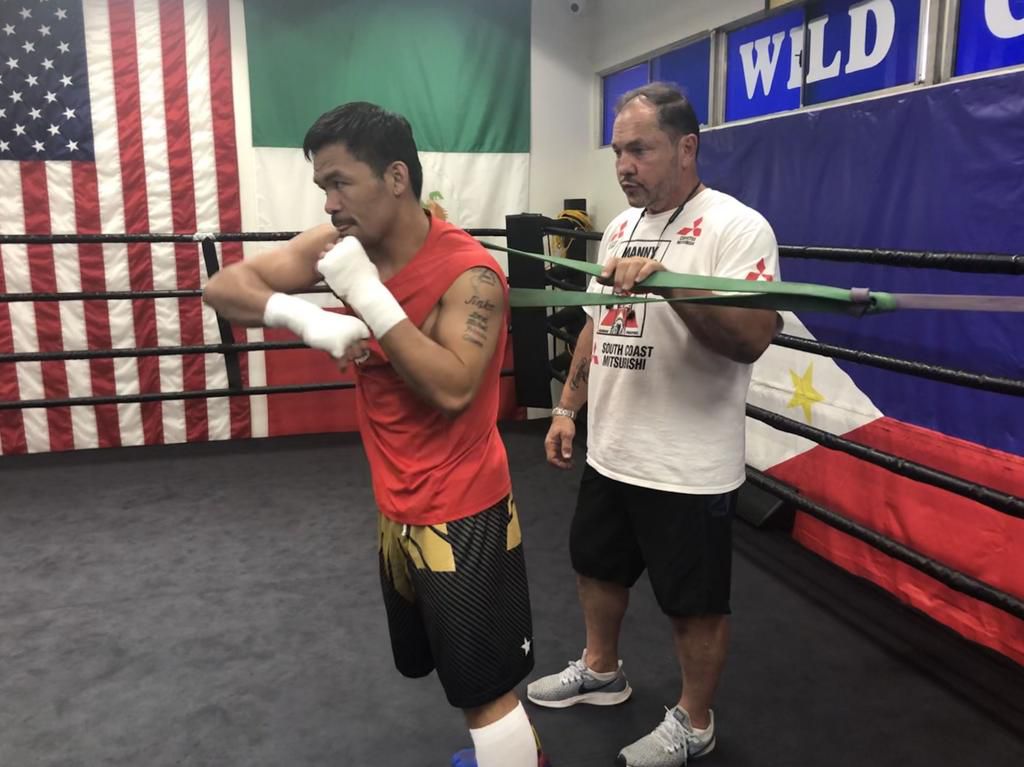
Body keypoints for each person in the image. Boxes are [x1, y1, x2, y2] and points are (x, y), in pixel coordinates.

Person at [203, 102, 545, 767]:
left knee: (484, 689)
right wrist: (310, 322)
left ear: (394, 177)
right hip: (398, 506)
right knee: (442, 668)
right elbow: (225, 286)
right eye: (322, 187)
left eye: (340, 183)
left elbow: (452, 387)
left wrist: (367, 297)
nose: (329, 203)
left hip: (463, 509)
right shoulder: (340, 246)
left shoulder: (470, 274)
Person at [526, 83, 781, 767]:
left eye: (639, 149)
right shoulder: (617, 227)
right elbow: (593, 324)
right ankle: (602, 669)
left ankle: (695, 721)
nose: (623, 166)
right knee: (597, 568)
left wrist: (672, 284)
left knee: (692, 604)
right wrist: (567, 407)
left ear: (686, 147)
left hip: (688, 465)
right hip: (613, 450)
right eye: (618, 151)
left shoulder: (737, 227)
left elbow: (753, 335)